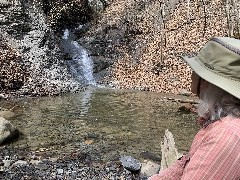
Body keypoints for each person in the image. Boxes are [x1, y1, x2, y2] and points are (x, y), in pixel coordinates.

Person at [149, 37, 240, 180]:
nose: (191, 76)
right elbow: (185, 163)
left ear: (205, 81)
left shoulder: (225, 135)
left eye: (195, 70)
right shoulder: (222, 123)